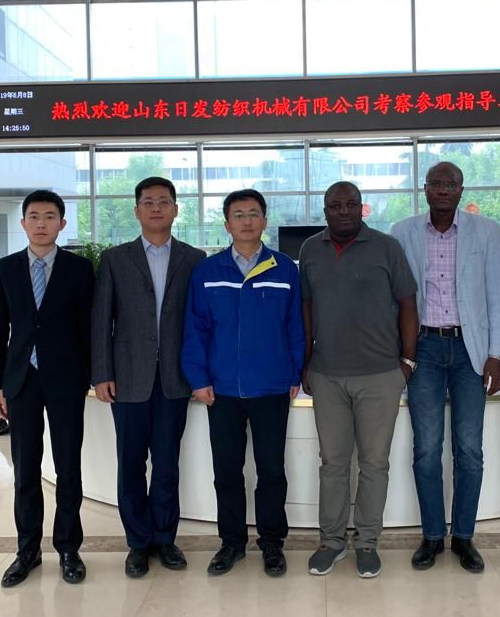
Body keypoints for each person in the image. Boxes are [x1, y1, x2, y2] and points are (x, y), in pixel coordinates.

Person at [391, 161, 500, 573]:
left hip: (469, 351)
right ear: (424, 189)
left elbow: (497, 294)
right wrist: (400, 354)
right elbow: (396, 299)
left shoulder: (486, 231)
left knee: (469, 449)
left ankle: (463, 536)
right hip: (422, 348)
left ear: (461, 190)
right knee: (426, 449)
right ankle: (431, 535)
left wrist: (496, 353)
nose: (443, 189)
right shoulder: (403, 232)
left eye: (451, 184)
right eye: (436, 183)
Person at [299, 181, 418, 579]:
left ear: (362, 207)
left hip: (380, 376)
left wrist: (406, 362)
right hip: (327, 375)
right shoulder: (310, 250)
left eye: (352, 204)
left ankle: (367, 542)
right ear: (325, 210)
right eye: (336, 205)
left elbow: (408, 304)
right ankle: (331, 542)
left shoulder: (387, 248)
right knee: (332, 463)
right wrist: (306, 362)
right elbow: (306, 308)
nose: (344, 211)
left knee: (374, 464)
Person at [182, 189, 304, 577]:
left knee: (271, 470)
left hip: (271, 387)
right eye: (239, 214)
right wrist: (198, 378)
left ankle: (272, 543)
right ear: (227, 224)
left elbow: (296, 326)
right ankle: (231, 543)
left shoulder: (285, 269)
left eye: (253, 213)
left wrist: (295, 373)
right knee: (227, 472)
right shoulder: (208, 270)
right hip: (222, 390)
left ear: (265, 221)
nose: (247, 220)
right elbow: (195, 329)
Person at [91, 177, 205, 579]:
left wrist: (200, 374)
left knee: (167, 463)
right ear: (137, 210)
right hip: (127, 378)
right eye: (149, 202)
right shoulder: (115, 259)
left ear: (175, 209)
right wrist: (102, 373)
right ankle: (138, 543)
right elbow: (101, 320)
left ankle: (165, 539)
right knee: (131, 463)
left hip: (175, 378)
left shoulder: (194, 259)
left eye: (164, 201)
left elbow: (200, 322)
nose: (156, 208)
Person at [0, 189, 94, 588]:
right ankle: (27, 550)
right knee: (26, 470)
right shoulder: (6, 268)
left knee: (68, 468)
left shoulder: (79, 269)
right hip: (21, 382)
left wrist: (92, 376)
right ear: (23, 223)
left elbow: (89, 328)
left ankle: (68, 548)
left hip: (66, 380)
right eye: (34, 216)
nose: (42, 223)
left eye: (50, 217)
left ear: (62, 223)